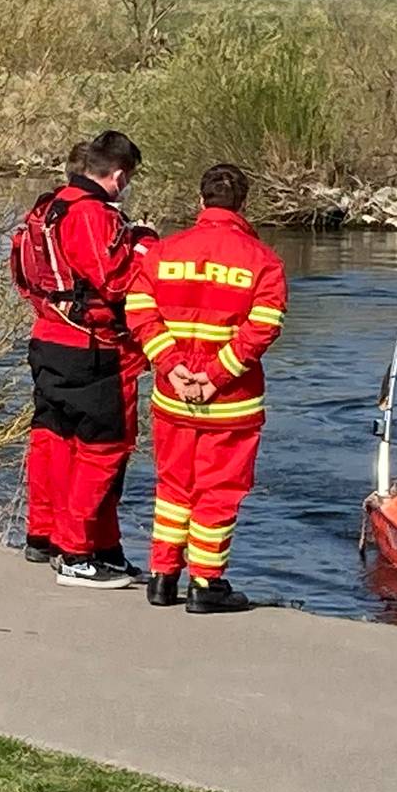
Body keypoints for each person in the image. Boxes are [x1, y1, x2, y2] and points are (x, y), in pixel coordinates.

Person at [123, 163, 288, 613]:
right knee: (218, 491)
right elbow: (263, 328)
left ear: (200, 202)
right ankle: (205, 582)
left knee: (174, 487)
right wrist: (215, 375)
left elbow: (138, 311)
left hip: (171, 396)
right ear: (243, 205)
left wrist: (173, 367)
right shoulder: (262, 260)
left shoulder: (162, 252)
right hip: (231, 401)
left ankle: (161, 576)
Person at [16, 132, 152, 588]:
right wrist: (143, 248)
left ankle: (47, 535)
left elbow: (25, 273)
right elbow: (114, 282)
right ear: (117, 174)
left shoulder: (46, 208)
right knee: (103, 449)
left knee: (53, 439)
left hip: (50, 336)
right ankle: (75, 552)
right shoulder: (91, 214)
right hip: (90, 345)